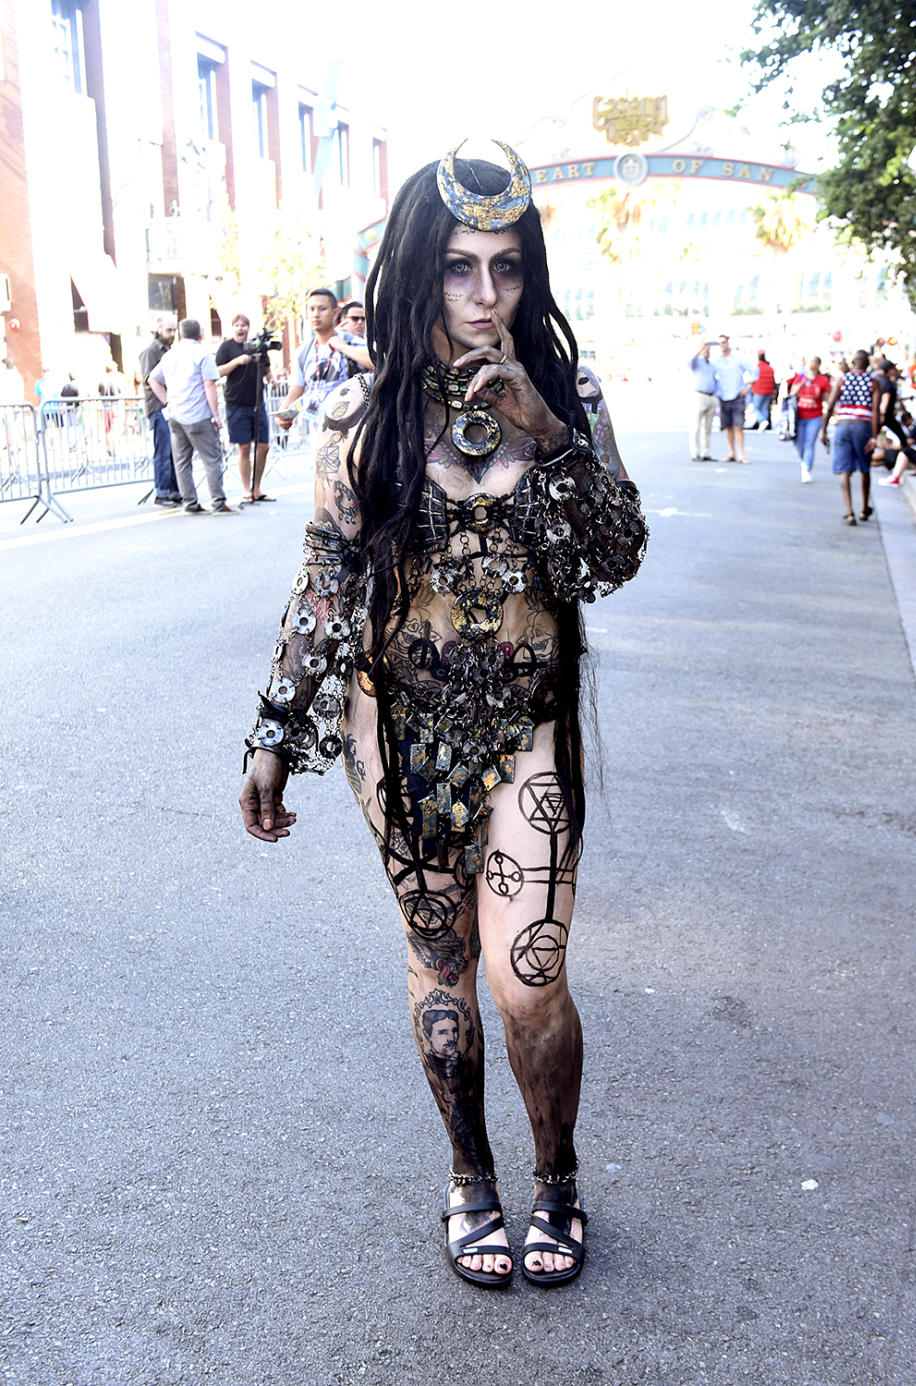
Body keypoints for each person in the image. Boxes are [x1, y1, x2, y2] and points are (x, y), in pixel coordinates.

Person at [238, 140, 648, 1289]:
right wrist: (277, 730)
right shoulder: (363, 424)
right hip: (398, 742)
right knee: (439, 968)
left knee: (527, 977)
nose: (484, 298)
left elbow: (614, 557)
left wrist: (545, 434)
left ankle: (556, 1174)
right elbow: (324, 584)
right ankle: (471, 1177)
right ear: (419, 273)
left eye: (507, 269)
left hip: (528, 730)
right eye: (460, 269)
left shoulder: (568, 401)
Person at [147, 319, 235, 514]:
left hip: (176, 414)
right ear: (200, 334)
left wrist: (167, 401)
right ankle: (218, 502)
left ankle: (190, 502)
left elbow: (152, 379)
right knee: (211, 459)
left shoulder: (170, 355)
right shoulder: (202, 354)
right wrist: (216, 415)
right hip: (198, 414)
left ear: (181, 333)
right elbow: (209, 385)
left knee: (182, 461)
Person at [275, 289, 371, 436]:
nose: (316, 314)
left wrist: (341, 346)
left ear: (335, 313)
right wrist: (283, 415)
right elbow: (295, 392)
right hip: (319, 436)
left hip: (354, 433)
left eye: (322, 309)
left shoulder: (352, 342)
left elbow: (377, 363)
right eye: (312, 309)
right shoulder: (303, 353)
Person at [215, 313, 274, 503]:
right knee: (244, 447)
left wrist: (271, 379)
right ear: (232, 328)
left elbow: (266, 369)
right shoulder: (226, 347)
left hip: (257, 402)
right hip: (236, 403)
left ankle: (257, 488)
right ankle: (246, 490)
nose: (240, 328)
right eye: (237, 325)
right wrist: (237, 361)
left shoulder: (257, 345)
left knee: (263, 446)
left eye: (244, 325)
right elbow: (217, 371)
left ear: (248, 328)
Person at [820, 348, 874, 525]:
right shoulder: (873, 381)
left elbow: (830, 406)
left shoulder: (843, 380)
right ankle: (864, 508)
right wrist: (874, 437)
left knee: (845, 470)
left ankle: (849, 511)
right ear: (867, 364)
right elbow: (877, 411)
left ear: (853, 363)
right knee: (864, 468)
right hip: (863, 426)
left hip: (843, 425)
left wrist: (823, 431)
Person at [138, 313, 181, 507]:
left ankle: (173, 490)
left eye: (174, 330)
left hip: (169, 405)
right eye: (168, 330)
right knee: (163, 451)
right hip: (158, 407)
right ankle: (162, 492)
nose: (171, 334)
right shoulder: (152, 351)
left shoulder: (169, 350)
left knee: (173, 450)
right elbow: (150, 380)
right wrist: (165, 402)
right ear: (159, 329)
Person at [713, 333, 757, 463]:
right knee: (728, 426)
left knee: (738, 425)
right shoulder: (717, 361)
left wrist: (748, 387)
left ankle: (741, 454)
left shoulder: (738, 358)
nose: (722, 345)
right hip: (723, 396)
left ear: (728, 342)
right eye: (719, 343)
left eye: (723, 342)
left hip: (737, 395)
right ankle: (731, 452)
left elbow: (754, 371)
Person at [789, 356, 831, 482]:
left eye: (814, 362)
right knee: (798, 441)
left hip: (815, 416)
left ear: (818, 365)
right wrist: (801, 384)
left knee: (809, 443)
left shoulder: (823, 380)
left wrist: (829, 414)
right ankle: (804, 460)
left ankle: (807, 468)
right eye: (810, 362)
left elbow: (828, 399)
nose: (812, 364)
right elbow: (792, 393)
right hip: (799, 415)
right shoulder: (801, 377)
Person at [688, 340, 716, 460]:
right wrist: (700, 349)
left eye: (708, 350)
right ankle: (695, 453)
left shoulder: (711, 365)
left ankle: (706, 452)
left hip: (711, 396)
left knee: (708, 427)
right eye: (705, 349)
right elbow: (690, 362)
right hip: (700, 396)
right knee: (696, 426)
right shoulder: (697, 363)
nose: (706, 352)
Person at [750, 351, 776, 431]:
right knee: (764, 408)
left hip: (759, 391)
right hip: (768, 391)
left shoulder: (757, 367)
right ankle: (764, 424)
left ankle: (762, 421)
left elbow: (753, 379)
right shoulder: (770, 368)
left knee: (756, 408)